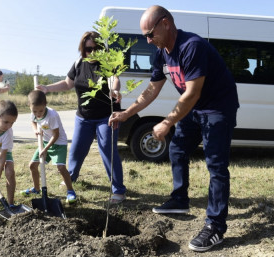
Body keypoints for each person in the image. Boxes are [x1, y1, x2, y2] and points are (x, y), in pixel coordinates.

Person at [109, 5, 239, 252]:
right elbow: (152, 89)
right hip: (195, 108)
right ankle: (179, 199)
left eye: (150, 33)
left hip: (217, 108)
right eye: (145, 36)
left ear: (166, 23)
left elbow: (191, 93)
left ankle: (215, 226)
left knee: (216, 165)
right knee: (177, 149)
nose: (148, 40)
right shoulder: (161, 53)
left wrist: (168, 121)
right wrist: (126, 113)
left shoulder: (192, 46)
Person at [36, 31, 126, 204]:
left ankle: (118, 190)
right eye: (87, 49)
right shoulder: (78, 64)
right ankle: (71, 177)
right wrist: (47, 88)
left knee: (108, 150)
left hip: (106, 117)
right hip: (83, 117)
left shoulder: (107, 64)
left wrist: (114, 90)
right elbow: (67, 83)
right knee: (77, 150)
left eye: (95, 48)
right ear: (82, 49)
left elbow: (114, 79)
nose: (91, 52)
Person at [20, 90, 77, 204]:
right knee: (32, 165)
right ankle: (36, 189)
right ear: (29, 106)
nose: (38, 114)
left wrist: (45, 150)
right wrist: (35, 130)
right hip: (45, 141)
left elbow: (56, 135)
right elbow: (33, 122)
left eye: (41, 110)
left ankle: (70, 191)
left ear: (45, 104)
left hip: (58, 143)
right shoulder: (34, 112)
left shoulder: (52, 115)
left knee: (61, 167)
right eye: (35, 111)